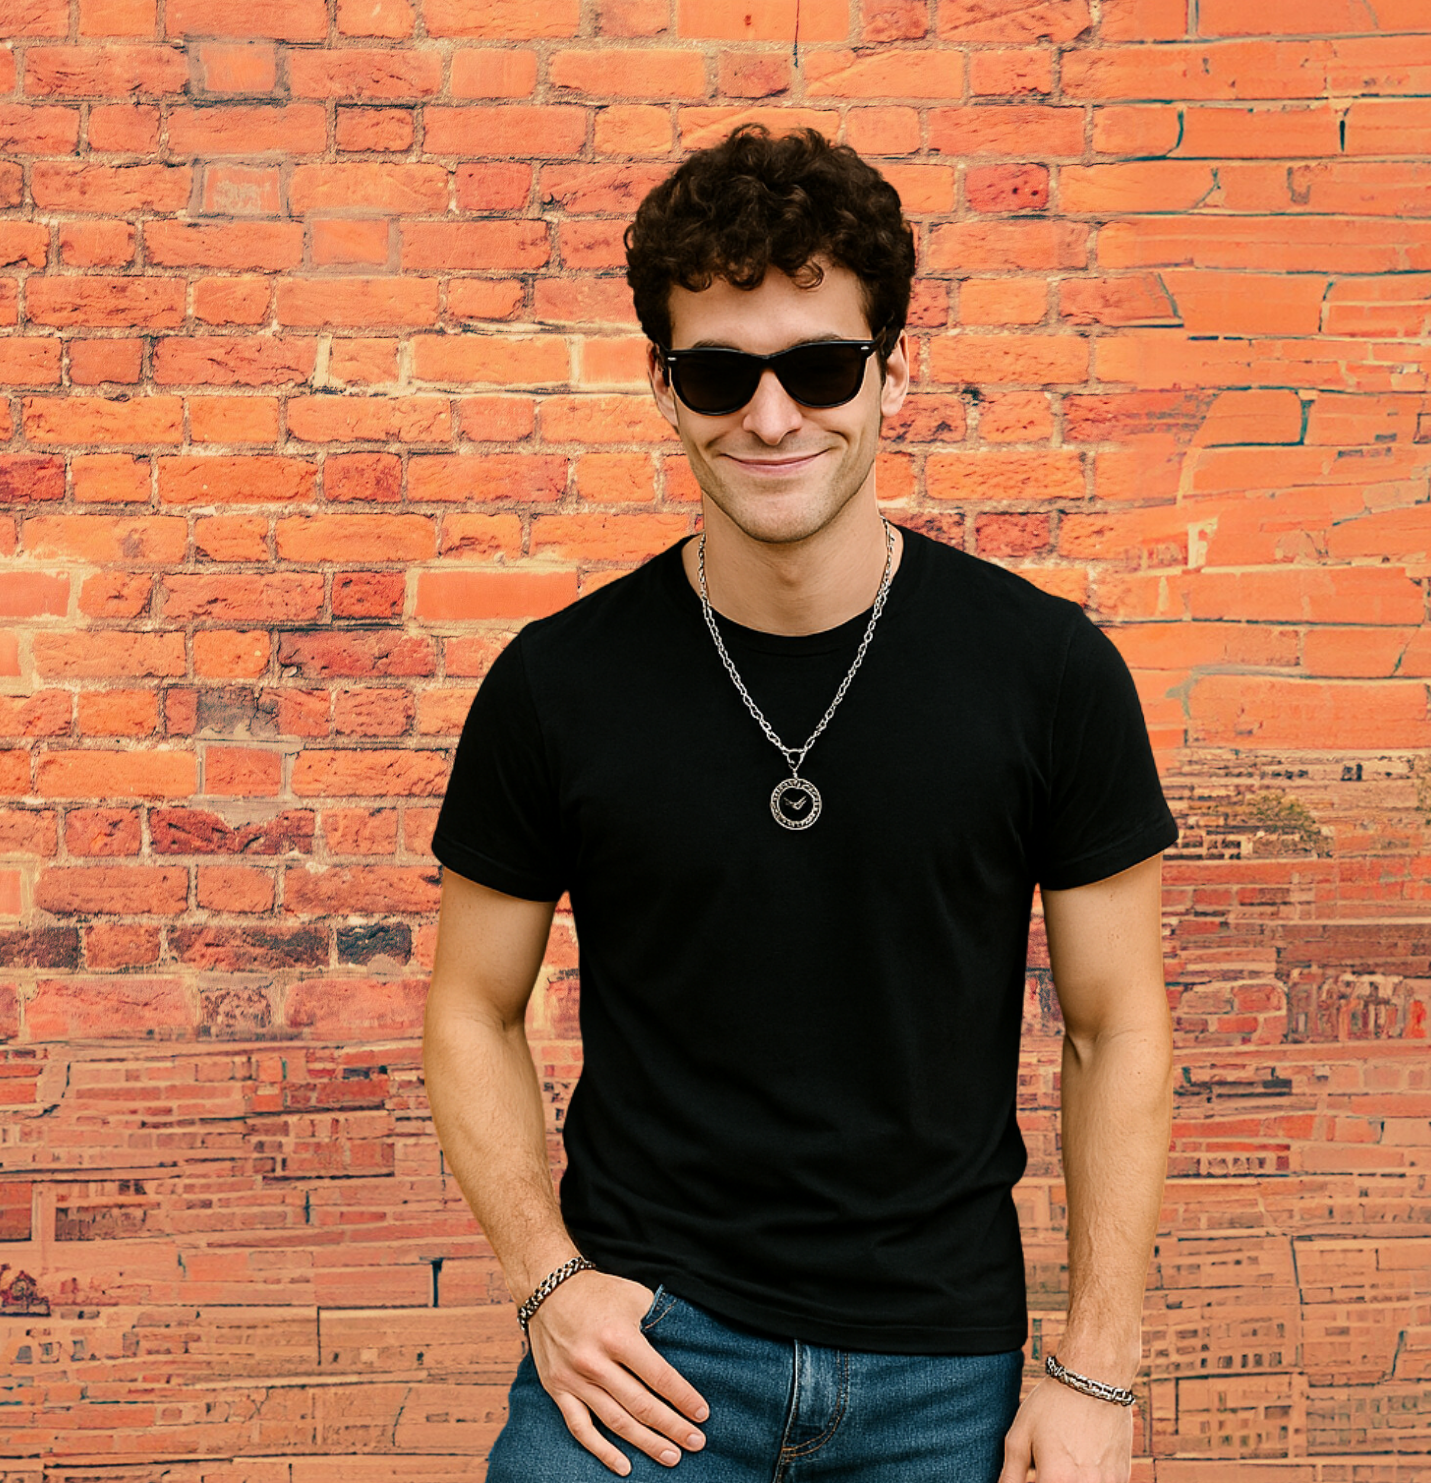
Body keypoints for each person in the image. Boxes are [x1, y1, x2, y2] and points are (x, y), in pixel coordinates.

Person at [421, 123, 1178, 1483]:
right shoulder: (557, 687)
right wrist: (547, 1281)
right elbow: (472, 1008)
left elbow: (1118, 1030)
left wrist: (1096, 1372)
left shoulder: (1047, 674)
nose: (772, 417)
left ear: (892, 369)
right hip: (650, 1360)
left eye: (821, 366)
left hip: (945, 1373)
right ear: (662, 385)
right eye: (721, 374)